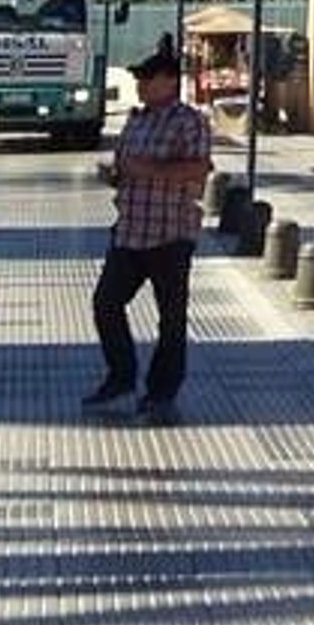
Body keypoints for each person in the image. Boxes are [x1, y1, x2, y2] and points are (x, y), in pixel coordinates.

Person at [88, 40, 213, 421]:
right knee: (106, 304)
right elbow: (126, 166)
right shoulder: (136, 119)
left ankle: (162, 391)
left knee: (171, 318)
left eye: (148, 78)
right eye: (139, 78)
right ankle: (121, 375)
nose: (140, 84)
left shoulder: (188, 121)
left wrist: (149, 171)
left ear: (170, 82)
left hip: (170, 232)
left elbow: (198, 169)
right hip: (129, 230)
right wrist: (115, 174)